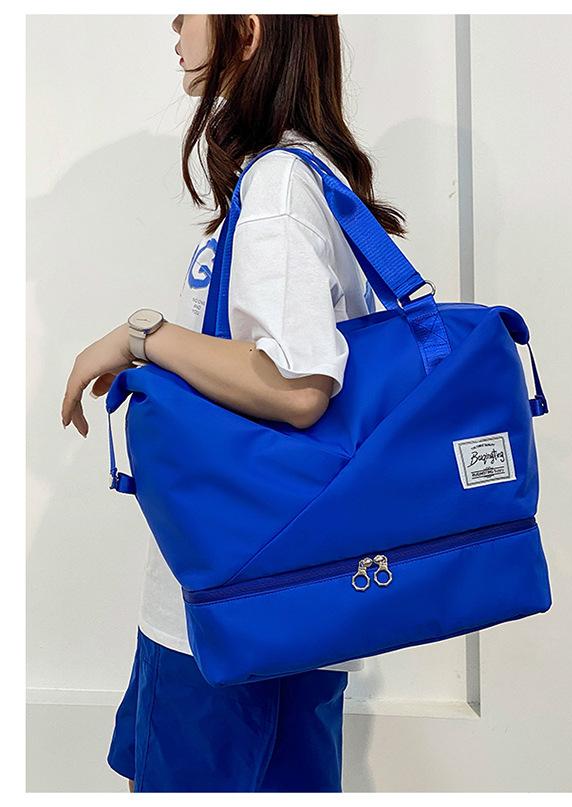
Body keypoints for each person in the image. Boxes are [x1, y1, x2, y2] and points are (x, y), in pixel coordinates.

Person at [60, 13, 406, 793]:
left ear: (247, 31)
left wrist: (141, 336)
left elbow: (298, 384)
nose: (174, 24)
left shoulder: (279, 183)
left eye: (190, 9)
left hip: (232, 620)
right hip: (259, 603)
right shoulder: (300, 173)